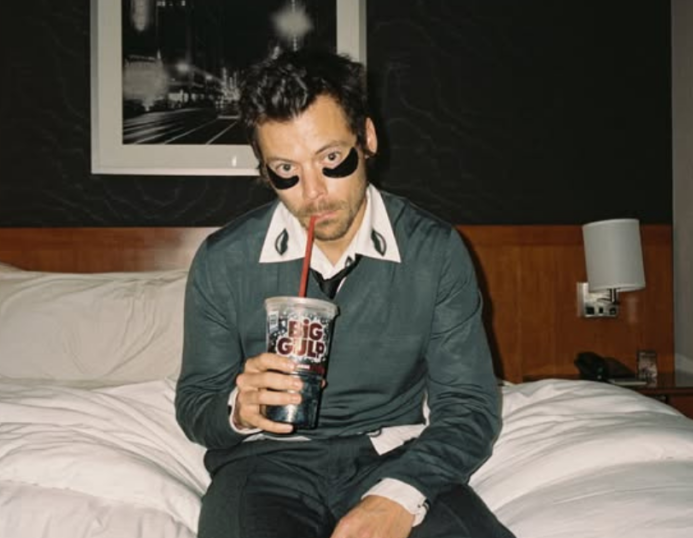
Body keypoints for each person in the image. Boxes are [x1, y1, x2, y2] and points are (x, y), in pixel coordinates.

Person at [175, 49, 514, 538]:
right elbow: (195, 405)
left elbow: (468, 405)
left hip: (395, 454)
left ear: (367, 138)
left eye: (331, 159)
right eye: (285, 169)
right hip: (263, 463)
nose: (313, 192)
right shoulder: (223, 260)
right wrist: (238, 409)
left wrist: (399, 495)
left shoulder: (433, 250)